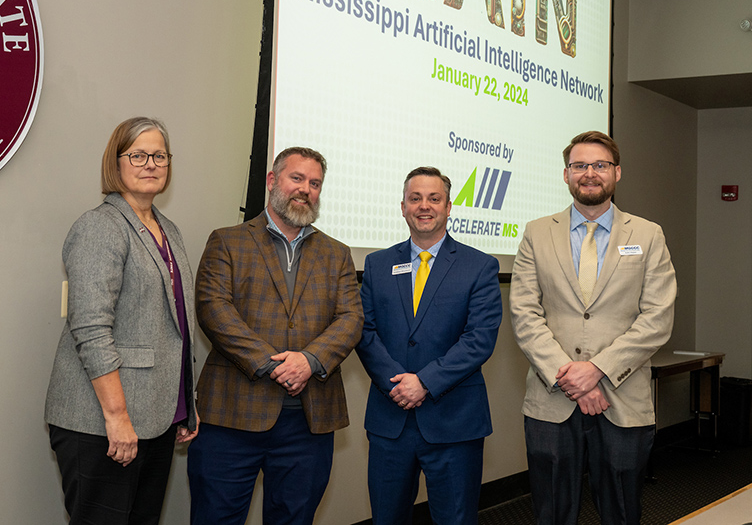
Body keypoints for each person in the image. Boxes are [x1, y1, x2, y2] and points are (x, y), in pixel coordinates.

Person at [187, 146, 363, 525]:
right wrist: (274, 365)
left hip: (308, 423)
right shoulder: (228, 241)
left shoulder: (338, 253)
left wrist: (309, 361)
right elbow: (214, 310)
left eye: (314, 183)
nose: (305, 189)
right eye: (296, 178)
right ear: (272, 181)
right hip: (232, 418)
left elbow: (351, 318)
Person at [510, 130, 676, 525]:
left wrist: (596, 370)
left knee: (621, 511)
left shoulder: (648, 235)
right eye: (579, 165)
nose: (589, 173)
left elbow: (657, 317)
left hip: (623, 399)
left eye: (599, 165)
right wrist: (570, 377)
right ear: (566, 175)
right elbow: (524, 313)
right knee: (551, 512)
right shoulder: (536, 233)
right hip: (552, 400)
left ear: (617, 173)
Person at [44, 117, 198, 525]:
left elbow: (175, 324)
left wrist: (183, 407)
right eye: (139, 155)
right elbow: (92, 330)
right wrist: (117, 418)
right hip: (102, 423)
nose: (151, 163)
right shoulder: (100, 227)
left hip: (155, 418)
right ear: (116, 162)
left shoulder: (168, 230)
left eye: (159, 156)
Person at [356, 167, 503, 525]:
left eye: (434, 198)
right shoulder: (377, 264)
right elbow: (364, 331)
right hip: (390, 420)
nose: (425, 206)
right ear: (402, 207)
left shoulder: (480, 266)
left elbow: (479, 339)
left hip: (454, 422)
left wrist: (423, 382)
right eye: (415, 198)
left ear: (449, 207)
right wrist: (398, 382)